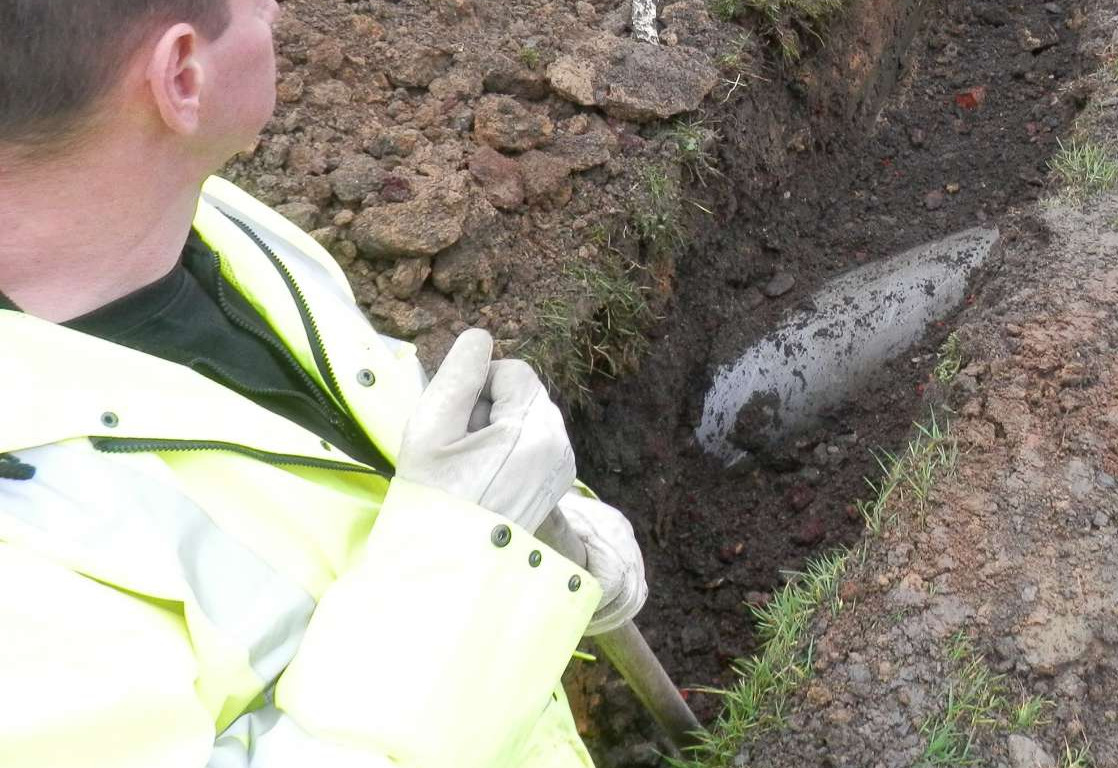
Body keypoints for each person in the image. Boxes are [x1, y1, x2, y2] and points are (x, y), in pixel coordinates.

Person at [0, 1, 648, 765]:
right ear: (181, 76)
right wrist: (472, 569)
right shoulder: (27, 572)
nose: (275, 9)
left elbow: (347, 433)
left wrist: (546, 530)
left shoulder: (180, 211)